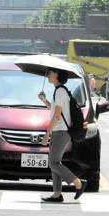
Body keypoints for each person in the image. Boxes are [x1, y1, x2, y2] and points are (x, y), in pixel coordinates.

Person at [37, 68, 87, 203]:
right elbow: (55, 110)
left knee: (53, 163)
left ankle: (78, 183)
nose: (48, 75)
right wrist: (44, 100)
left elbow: (57, 115)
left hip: (61, 131)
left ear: (57, 75)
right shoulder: (59, 91)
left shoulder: (60, 91)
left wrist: (47, 133)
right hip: (59, 131)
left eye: (50, 73)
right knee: (55, 162)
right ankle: (57, 194)